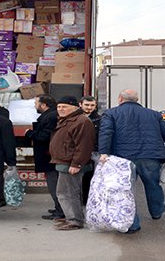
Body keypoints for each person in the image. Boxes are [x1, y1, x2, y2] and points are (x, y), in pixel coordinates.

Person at [98, 89, 165, 234]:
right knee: (153, 185)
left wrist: (104, 152)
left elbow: (106, 133)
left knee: (126, 190)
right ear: (136, 100)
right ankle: (156, 211)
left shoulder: (111, 113)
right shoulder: (154, 114)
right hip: (150, 157)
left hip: (123, 158)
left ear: (120, 99)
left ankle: (132, 224)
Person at [49, 96, 95, 231]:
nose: (60, 109)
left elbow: (84, 145)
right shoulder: (68, 120)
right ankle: (72, 217)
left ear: (75, 108)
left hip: (71, 163)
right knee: (65, 192)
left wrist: (76, 164)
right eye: (58, 107)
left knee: (68, 192)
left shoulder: (81, 121)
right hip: (65, 161)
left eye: (64, 107)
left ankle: (75, 220)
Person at [25, 95, 64, 220]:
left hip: (49, 155)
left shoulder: (50, 116)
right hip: (50, 155)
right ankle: (59, 208)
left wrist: (29, 133)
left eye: (36, 103)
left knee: (54, 183)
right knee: (54, 182)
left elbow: (44, 136)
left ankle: (60, 210)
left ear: (43, 105)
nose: (35, 106)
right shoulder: (51, 115)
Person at [79, 95, 100, 206]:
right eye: (86, 105)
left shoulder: (99, 119)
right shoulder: (75, 117)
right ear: (80, 104)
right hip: (77, 152)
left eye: (92, 105)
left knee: (89, 178)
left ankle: (86, 201)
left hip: (92, 153)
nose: (89, 107)